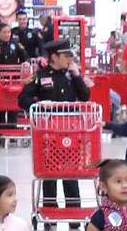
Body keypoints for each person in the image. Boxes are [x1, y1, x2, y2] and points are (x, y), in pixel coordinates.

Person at [18, 39, 92, 218]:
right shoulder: (41, 76)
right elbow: (23, 99)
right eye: (66, 56)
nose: (69, 60)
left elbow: (84, 96)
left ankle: (75, 215)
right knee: (49, 173)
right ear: (54, 57)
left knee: (71, 173)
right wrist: (39, 106)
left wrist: (76, 75)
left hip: (71, 133)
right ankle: (49, 215)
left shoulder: (70, 76)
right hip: (48, 134)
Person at [0, 21, 29, 133]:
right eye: (4, 32)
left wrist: (26, 63)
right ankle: (0, 131)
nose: (7, 34)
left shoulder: (16, 44)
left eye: (9, 32)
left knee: (13, 105)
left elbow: (25, 56)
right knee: (0, 106)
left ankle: (12, 129)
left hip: (14, 80)